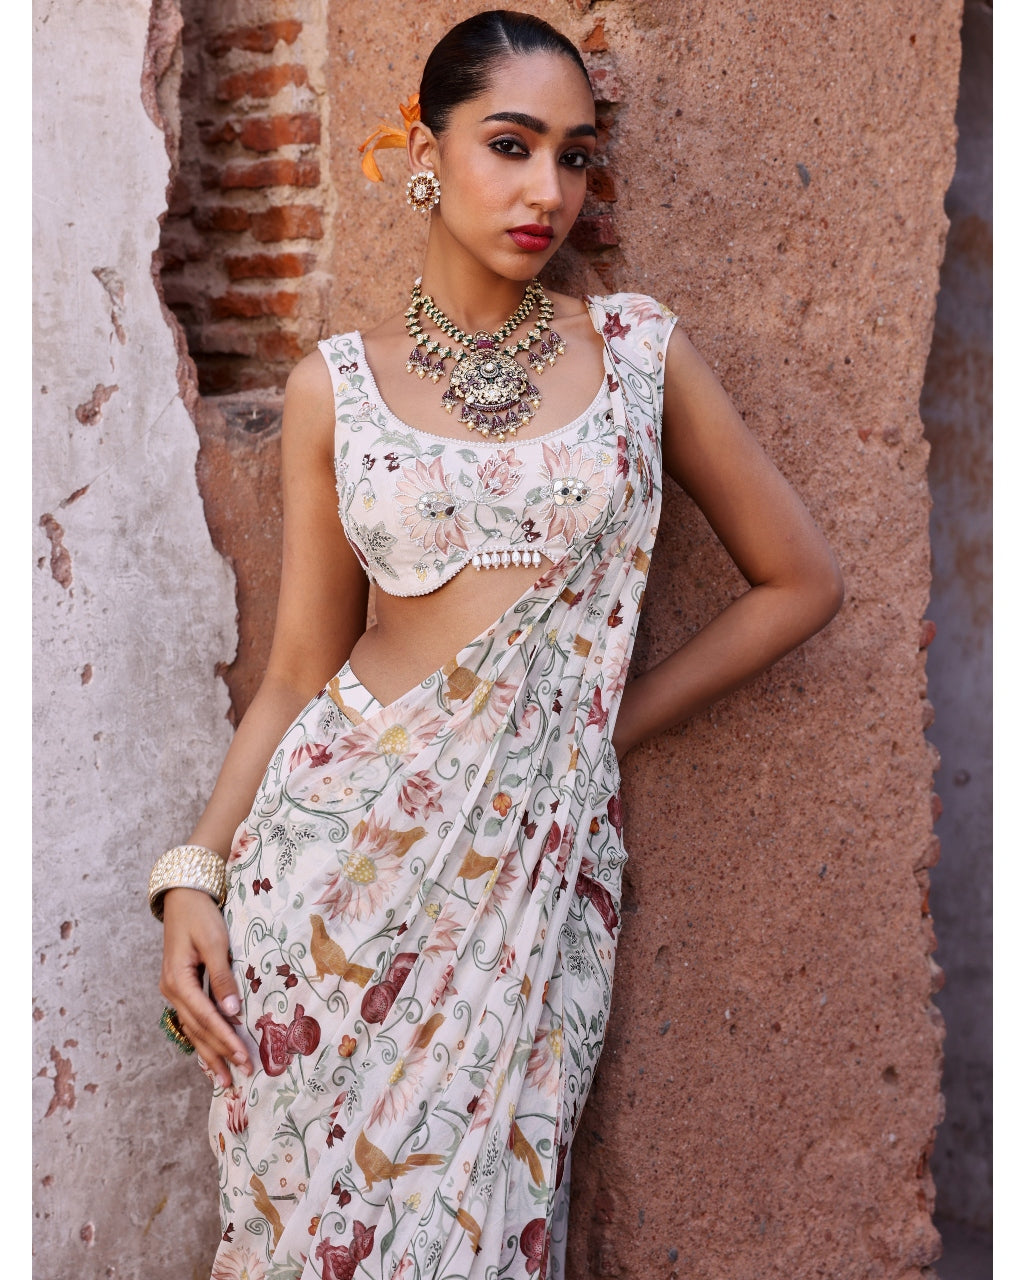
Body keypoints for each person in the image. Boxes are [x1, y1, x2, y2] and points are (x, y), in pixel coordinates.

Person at [153, 10, 844, 1278]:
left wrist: (591, 732)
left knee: (482, 1229)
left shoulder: (636, 354)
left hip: (526, 879)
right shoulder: (336, 387)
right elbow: (299, 671)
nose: (547, 192)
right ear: (426, 153)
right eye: (510, 145)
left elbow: (798, 581)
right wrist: (194, 871)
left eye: (573, 157)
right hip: (329, 877)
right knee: (312, 1237)